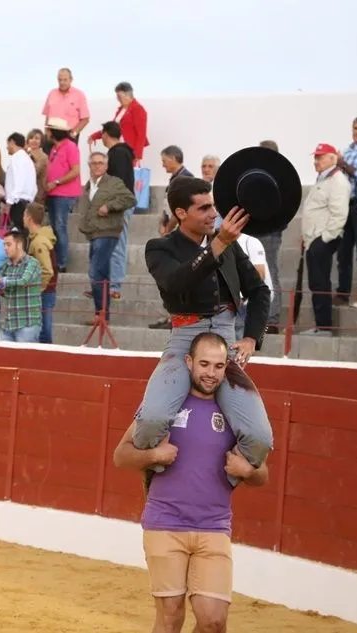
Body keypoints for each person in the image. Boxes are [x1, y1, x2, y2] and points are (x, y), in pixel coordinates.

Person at [113, 332, 269, 633]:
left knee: (214, 622)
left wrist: (249, 471)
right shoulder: (165, 405)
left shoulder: (236, 413)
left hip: (214, 527)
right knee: (170, 618)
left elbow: (262, 475)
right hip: (165, 523)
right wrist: (154, 455)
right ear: (189, 362)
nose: (211, 373)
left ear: (226, 367)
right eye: (204, 364)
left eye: (219, 366)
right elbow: (121, 456)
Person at [135, 176, 273, 489]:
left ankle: (219, 484)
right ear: (181, 213)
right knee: (152, 420)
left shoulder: (228, 245)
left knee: (259, 437)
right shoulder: (160, 248)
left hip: (224, 341)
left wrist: (252, 337)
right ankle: (154, 476)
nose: (214, 214)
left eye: (213, 206)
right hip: (185, 339)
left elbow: (260, 291)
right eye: (204, 208)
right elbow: (177, 283)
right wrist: (219, 243)